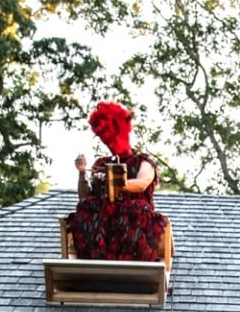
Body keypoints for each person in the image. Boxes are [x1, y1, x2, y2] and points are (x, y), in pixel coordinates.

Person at [67, 101, 168, 260]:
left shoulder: (143, 162)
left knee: (137, 208)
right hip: (104, 224)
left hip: (132, 220)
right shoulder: (101, 164)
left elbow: (141, 184)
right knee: (87, 205)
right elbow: (84, 196)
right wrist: (82, 173)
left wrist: (117, 182)